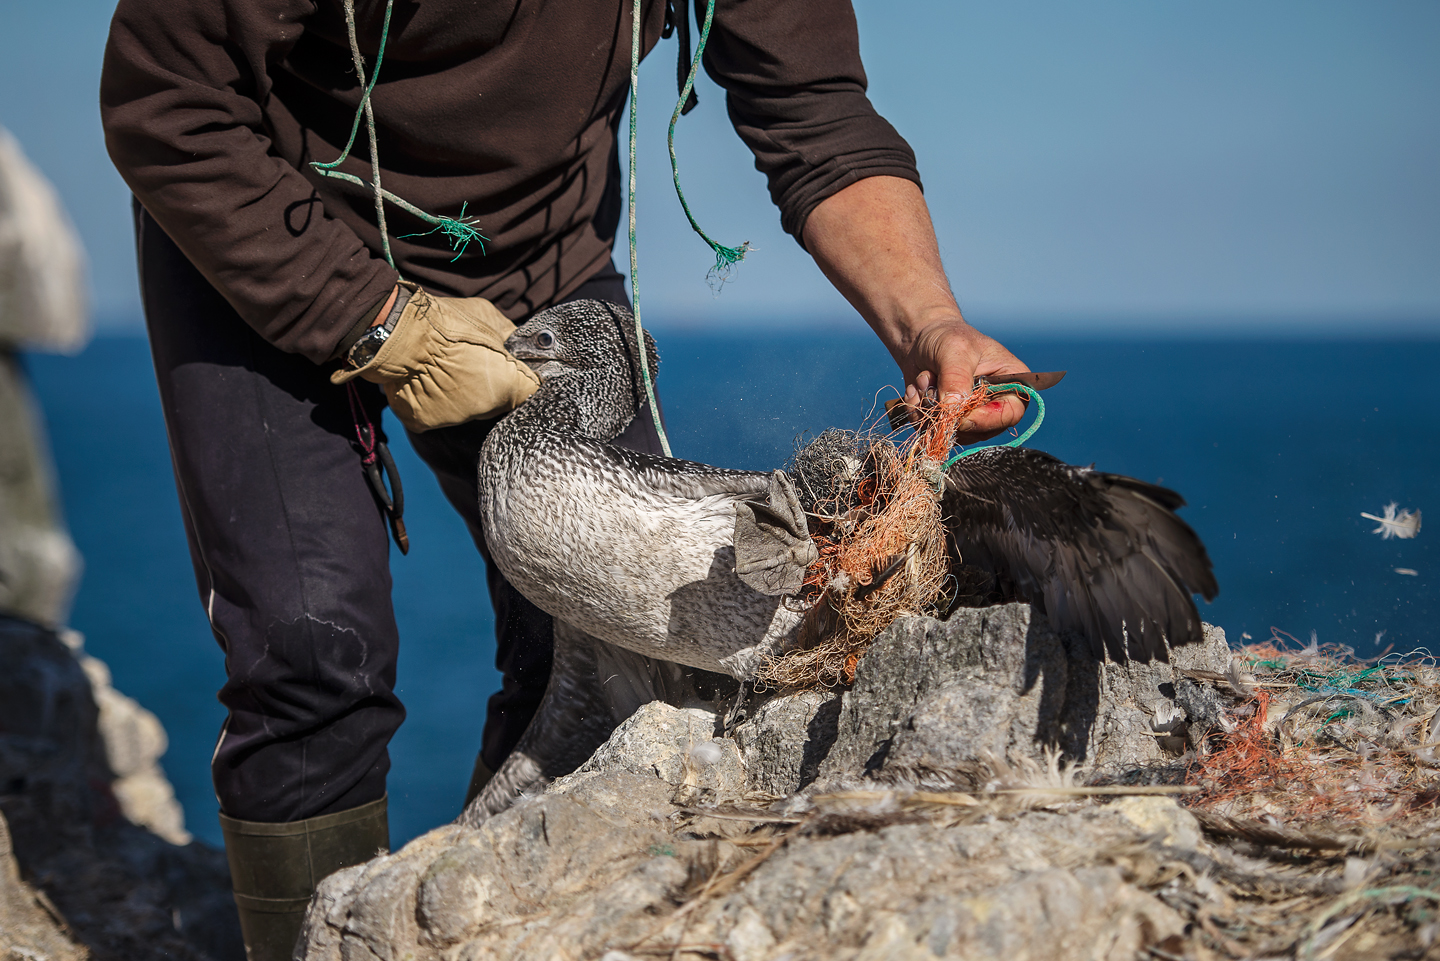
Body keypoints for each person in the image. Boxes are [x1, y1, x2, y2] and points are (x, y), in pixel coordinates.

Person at [100, 1, 1030, 957]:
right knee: (309, 656)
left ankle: (475, 930)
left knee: (608, 640)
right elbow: (165, 98)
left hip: (536, 264)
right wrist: (386, 325)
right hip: (263, 224)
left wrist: (930, 325)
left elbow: (814, 110)